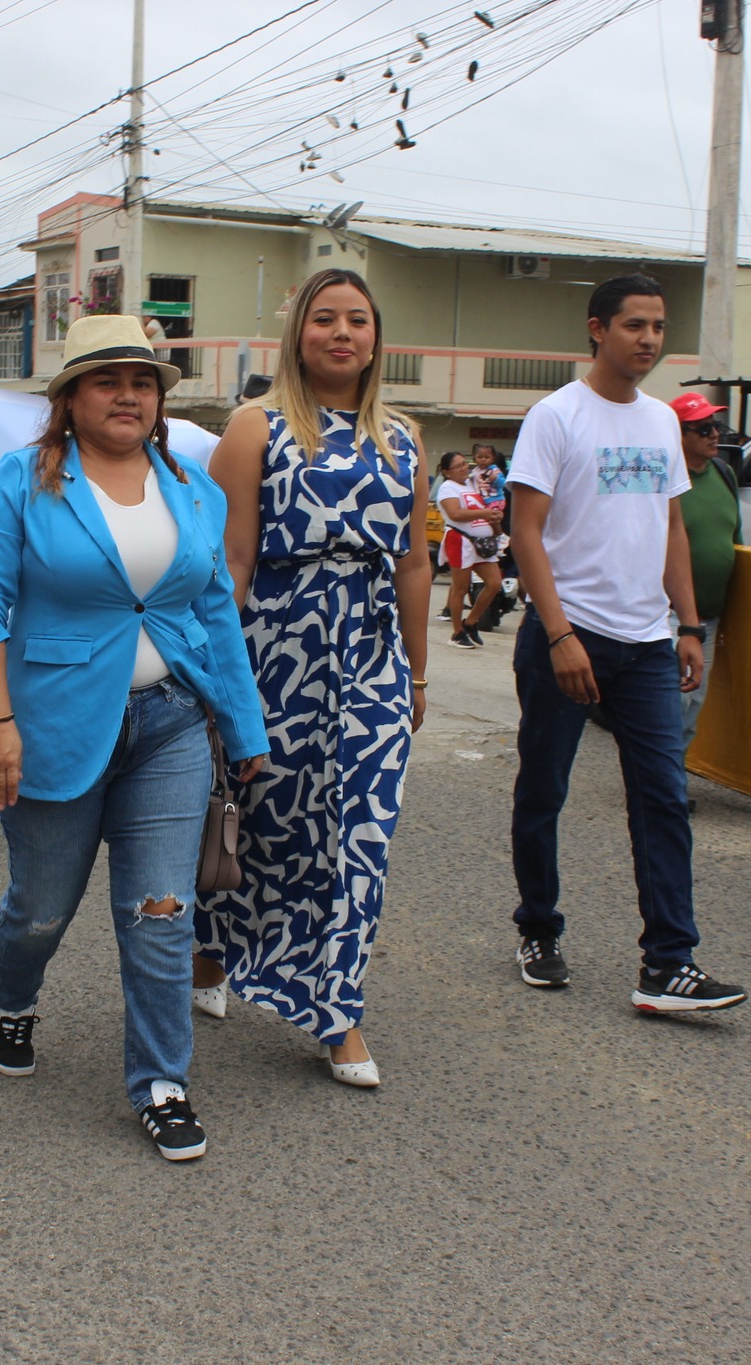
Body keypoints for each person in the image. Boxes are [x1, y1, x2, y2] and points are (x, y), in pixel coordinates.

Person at [0, 315, 269, 1160]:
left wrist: (244, 725)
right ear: (69, 397)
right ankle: (9, 997)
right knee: (40, 909)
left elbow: (214, 611)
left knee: (161, 911)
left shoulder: (191, 488)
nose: (128, 395)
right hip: (52, 724)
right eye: (107, 380)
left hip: (171, 724)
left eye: (143, 382)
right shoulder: (20, 482)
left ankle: (162, 1082)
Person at [196, 268, 433, 1085]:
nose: (342, 332)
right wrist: (218, 679)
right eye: (325, 318)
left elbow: (413, 563)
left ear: (375, 337)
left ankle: (339, 1012)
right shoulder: (255, 427)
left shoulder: (403, 438)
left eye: (357, 320)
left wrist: (417, 675)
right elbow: (231, 561)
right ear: (299, 333)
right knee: (268, 821)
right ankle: (211, 948)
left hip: (370, 654)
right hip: (275, 649)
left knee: (361, 829)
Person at [505, 274, 746, 1011]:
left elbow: (671, 527)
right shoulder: (556, 416)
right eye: (634, 324)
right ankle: (538, 929)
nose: (648, 339)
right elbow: (525, 531)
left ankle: (669, 961)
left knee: (663, 799)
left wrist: (689, 624)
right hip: (567, 636)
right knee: (544, 788)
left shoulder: (661, 422)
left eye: (658, 326)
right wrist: (559, 634)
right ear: (597, 329)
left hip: (645, 644)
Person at [669, 392, 743, 751]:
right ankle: (660, 778)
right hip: (669, 617)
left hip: (709, 620)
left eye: (716, 426)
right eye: (702, 429)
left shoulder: (724, 474)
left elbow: (737, 541)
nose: (714, 435)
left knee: (692, 707)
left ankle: (674, 776)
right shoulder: (665, 479)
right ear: (677, 434)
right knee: (673, 705)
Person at [436, 450, 503, 648]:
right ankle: (457, 632)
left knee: (494, 583)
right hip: (461, 540)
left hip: (482, 542)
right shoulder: (447, 488)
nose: (464, 468)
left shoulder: (472, 484)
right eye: (458, 466)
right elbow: (455, 514)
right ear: (447, 472)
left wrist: (495, 520)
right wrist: (485, 513)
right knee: (461, 588)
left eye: (465, 464)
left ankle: (471, 622)